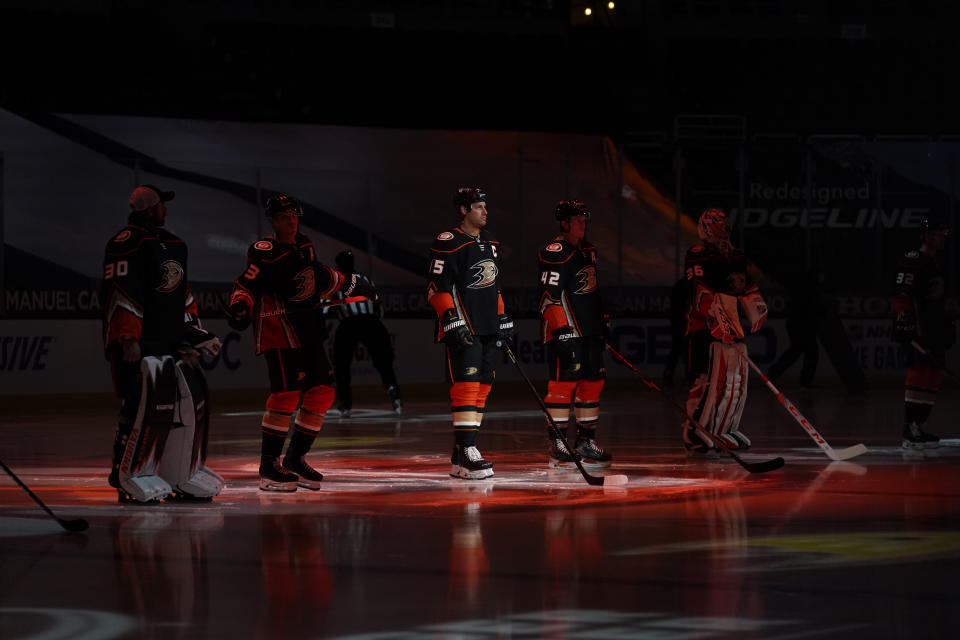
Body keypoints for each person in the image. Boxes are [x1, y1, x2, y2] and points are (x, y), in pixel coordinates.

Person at [226, 194, 375, 491]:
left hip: (308, 329)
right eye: (284, 216)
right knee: (285, 395)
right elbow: (245, 283)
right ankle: (269, 466)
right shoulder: (263, 251)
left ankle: (295, 458)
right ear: (272, 220)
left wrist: (354, 283)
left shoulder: (305, 244)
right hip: (279, 330)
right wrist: (240, 305)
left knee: (322, 392)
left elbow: (317, 276)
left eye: (294, 214)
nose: (291, 220)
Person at [102, 184, 224, 502]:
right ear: (149, 209)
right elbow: (122, 290)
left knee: (169, 407)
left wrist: (193, 335)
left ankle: (171, 470)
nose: (165, 210)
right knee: (136, 405)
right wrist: (128, 337)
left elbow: (179, 294)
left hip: (165, 341)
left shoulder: (169, 245)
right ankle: (122, 471)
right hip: (140, 342)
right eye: (160, 206)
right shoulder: (127, 243)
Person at [426, 187, 513, 479]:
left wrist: (502, 317)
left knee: (484, 384)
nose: (485, 212)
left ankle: (461, 452)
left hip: (487, 327)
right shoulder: (448, 242)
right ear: (463, 211)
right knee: (466, 384)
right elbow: (436, 287)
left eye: (485, 206)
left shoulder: (491, 243)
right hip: (465, 325)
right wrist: (451, 319)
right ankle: (466, 450)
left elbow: (494, 286)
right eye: (478, 207)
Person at [681, 208, 768, 457]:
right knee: (704, 380)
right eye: (716, 225)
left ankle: (724, 428)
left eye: (724, 225)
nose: (723, 229)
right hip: (703, 326)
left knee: (734, 379)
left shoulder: (736, 254)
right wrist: (712, 310)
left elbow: (745, 283)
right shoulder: (698, 254)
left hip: (730, 321)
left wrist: (756, 304)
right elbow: (696, 287)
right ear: (706, 228)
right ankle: (694, 431)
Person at [536, 199, 612, 468]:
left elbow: (592, 292)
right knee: (562, 386)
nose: (583, 224)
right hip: (566, 333)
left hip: (590, 332)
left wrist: (602, 321)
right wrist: (561, 330)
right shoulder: (555, 251)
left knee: (593, 383)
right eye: (577, 219)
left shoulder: (588, 250)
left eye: (584, 219)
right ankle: (558, 443)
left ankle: (585, 441)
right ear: (565, 222)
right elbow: (548, 297)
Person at [890, 216, 954, 449]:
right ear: (928, 237)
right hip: (918, 327)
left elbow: (941, 299)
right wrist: (905, 323)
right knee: (919, 370)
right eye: (940, 234)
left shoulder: (938, 263)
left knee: (934, 373)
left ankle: (919, 424)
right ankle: (909, 427)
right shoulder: (913, 260)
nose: (944, 238)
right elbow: (901, 294)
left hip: (935, 328)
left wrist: (947, 322)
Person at [327, 250, 403, 417]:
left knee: (342, 365)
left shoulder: (336, 282)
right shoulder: (364, 279)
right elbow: (378, 305)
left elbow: (326, 308)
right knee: (383, 361)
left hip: (349, 324)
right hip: (371, 322)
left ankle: (345, 404)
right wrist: (376, 322)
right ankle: (393, 393)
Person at [768, 268, 823, 388]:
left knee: (797, 352)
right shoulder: (809, 290)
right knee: (808, 352)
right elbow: (809, 308)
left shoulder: (803, 289)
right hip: (801, 324)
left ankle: (775, 372)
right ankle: (804, 381)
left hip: (797, 324)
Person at [662, 277, 689, 387]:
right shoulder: (687, 285)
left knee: (677, 351)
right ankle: (687, 378)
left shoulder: (680, 285)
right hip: (682, 324)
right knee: (683, 352)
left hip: (678, 324)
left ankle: (670, 375)